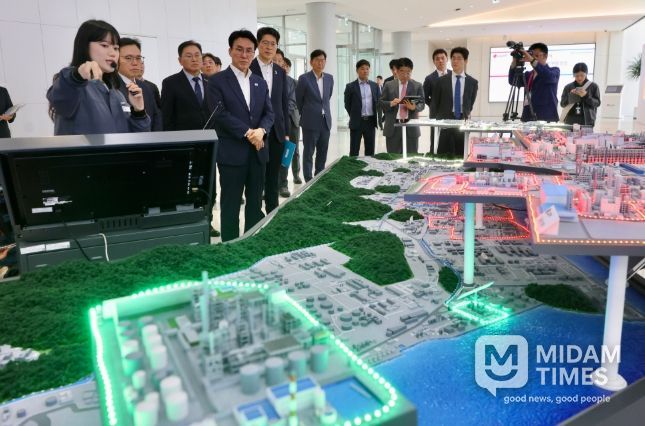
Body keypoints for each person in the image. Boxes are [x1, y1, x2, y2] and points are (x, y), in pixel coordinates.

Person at [206, 30, 274, 242]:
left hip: (258, 152)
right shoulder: (217, 81)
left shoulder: (260, 82)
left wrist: (261, 130)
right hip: (232, 154)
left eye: (249, 51)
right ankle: (230, 247)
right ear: (230, 51)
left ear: (254, 53)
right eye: (239, 49)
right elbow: (220, 114)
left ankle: (251, 244)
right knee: (231, 205)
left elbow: (269, 113)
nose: (244, 55)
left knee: (255, 204)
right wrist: (248, 132)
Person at [47, 20, 150, 135]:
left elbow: (136, 138)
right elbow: (60, 99)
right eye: (105, 45)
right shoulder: (73, 85)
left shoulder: (117, 94)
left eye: (116, 48)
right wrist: (76, 76)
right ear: (85, 46)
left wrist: (139, 112)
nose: (113, 53)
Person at [250, 27, 289, 214]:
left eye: (273, 44)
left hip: (277, 133)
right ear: (258, 44)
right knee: (257, 177)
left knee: (273, 176)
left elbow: (283, 104)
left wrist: (286, 132)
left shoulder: (280, 72)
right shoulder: (249, 68)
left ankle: (272, 213)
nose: (269, 47)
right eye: (265, 43)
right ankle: (255, 215)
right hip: (256, 132)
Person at [432, 47, 478, 157]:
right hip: (445, 122)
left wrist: (465, 113)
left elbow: (470, 103)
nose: (455, 61)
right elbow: (435, 103)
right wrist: (437, 121)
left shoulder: (472, 82)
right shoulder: (440, 81)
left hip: (462, 121)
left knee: (461, 154)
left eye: (459, 58)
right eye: (453, 58)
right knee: (443, 155)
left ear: (465, 61)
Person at [296, 49, 333, 182]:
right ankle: (308, 179)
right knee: (308, 152)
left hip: (325, 121)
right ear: (311, 62)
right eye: (317, 60)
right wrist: (308, 112)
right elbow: (299, 100)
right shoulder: (304, 78)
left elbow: (327, 97)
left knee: (323, 151)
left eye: (322, 60)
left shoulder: (329, 78)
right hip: (310, 122)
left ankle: (319, 176)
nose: (320, 63)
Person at [161, 40, 210, 131]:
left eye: (197, 55)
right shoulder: (170, 83)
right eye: (189, 56)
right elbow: (166, 116)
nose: (194, 59)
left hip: (211, 135)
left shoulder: (211, 81)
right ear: (180, 61)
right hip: (184, 136)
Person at [380, 57, 424, 154]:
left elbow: (422, 104)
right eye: (402, 71)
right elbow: (381, 103)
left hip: (411, 127)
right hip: (393, 127)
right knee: (393, 157)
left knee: (411, 156)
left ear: (411, 71)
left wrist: (414, 107)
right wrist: (390, 103)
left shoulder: (417, 86)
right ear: (396, 70)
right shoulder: (389, 85)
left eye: (408, 72)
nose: (405, 75)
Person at [117, 37, 162, 131]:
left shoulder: (146, 87)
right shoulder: (111, 86)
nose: (135, 63)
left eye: (138, 58)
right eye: (128, 58)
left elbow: (156, 117)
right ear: (116, 59)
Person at [508, 42, 559, 122]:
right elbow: (512, 81)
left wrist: (532, 60)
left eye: (537, 56)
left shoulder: (554, 71)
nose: (533, 58)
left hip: (546, 118)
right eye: (532, 55)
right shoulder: (528, 75)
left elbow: (547, 76)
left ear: (545, 56)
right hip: (528, 117)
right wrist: (514, 61)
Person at [277, 55, 302, 197]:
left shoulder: (294, 82)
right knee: (280, 152)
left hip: (292, 121)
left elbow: (295, 101)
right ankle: (279, 183)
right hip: (276, 122)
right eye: (282, 65)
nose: (284, 68)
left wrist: (282, 114)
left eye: (286, 66)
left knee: (292, 150)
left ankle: (295, 175)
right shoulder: (273, 80)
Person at [344, 59, 378, 156]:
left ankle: (369, 165)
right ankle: (353, 166)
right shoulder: (350, 86)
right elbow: (347, 104)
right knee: (354, 150)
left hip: (370, 122)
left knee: (370, 150)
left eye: (367, 69)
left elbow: (378, 102)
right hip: (357, 121)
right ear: (357, 70)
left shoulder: (374, 86)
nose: (365, 71)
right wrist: (354, 115)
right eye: (362, 69)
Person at [423, 48, 451, 154]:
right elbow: (425, 97)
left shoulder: (454, 75)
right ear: (434, 61)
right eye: (437, 59)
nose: (440, 61)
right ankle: (434, 158)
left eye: (442, 58)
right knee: (436, 140)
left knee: (452, 139)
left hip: (453, 114)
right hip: (436, 115)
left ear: (447, 59)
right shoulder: (429, 78)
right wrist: (434, 105)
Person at [560, 62, 601, 127]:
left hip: (587, 121)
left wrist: (586, 96)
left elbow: (597, 103)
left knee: (587, 134)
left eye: (582, 75)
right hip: (570, 121)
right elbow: (562, 104)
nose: (579, 78)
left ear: (586, 74)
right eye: (576, 75)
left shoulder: (593, 86)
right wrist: (571, 96)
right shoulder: (568, 87)